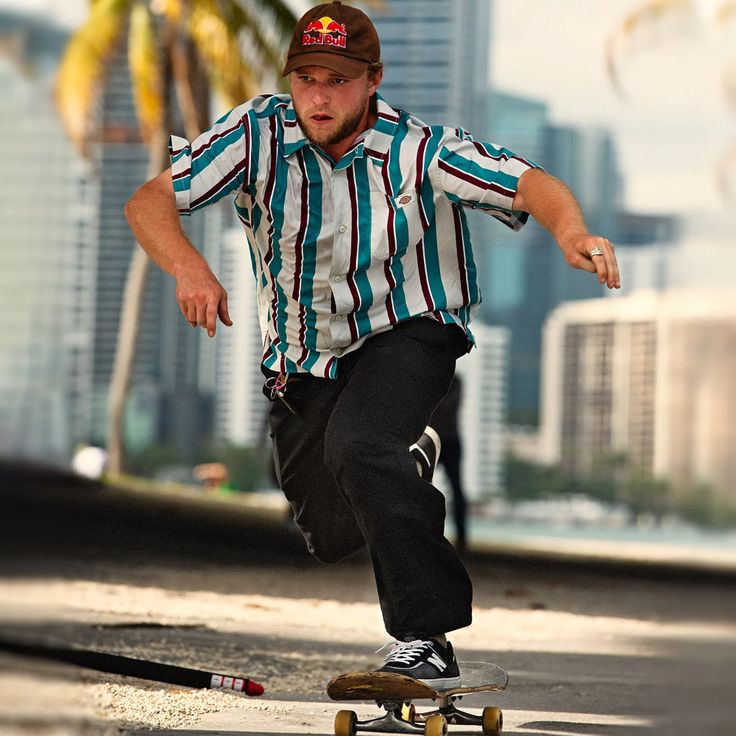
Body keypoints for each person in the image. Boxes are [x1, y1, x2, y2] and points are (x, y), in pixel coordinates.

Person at [125, 1, 620, 688]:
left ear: (372, 79)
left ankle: (426, 638)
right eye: (306, 79)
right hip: (305, 356)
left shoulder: (421, 150)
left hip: (409, 330)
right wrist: (190, 267)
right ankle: (406, 457)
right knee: (329, 532)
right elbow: (150, 200)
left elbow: (527, 182)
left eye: (338, 79)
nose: (319, 97)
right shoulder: (254, 133)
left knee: (359, 445)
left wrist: (571, 233)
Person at [428, 376, 468, 551]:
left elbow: (442, 408)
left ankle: (461, 536)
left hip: (447, 441)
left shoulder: (454, 381)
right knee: (422, 487)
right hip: (435, 438)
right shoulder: (453, 382)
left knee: (456, 490)